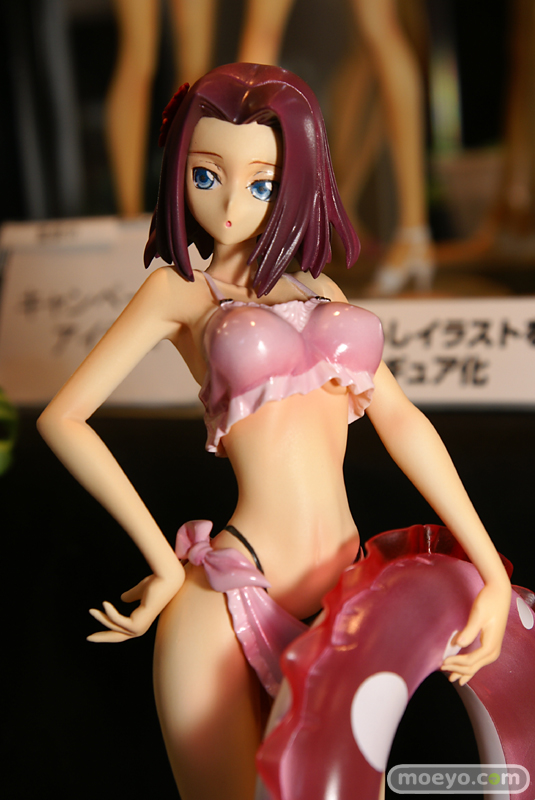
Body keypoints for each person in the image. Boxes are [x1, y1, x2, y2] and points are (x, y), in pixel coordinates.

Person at [37, 64, 511, 800]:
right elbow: (62, 417)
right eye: (205, 176)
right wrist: (163, 562)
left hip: (347, 598)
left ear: (297, 182)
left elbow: (399, 417)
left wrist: (491, 568)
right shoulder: (179, 291)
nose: (230, 206)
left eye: (260, 184)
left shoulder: (322, 291)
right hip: (228, 600)